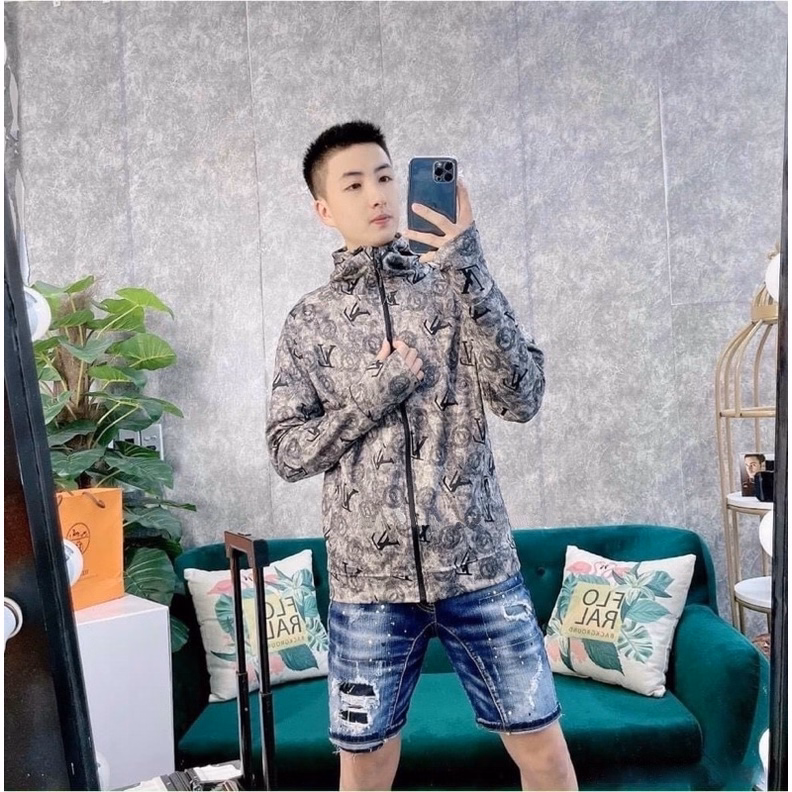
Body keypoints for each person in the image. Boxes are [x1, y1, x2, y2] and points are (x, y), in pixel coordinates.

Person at [265, 120, 577, 792]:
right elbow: (287, 452)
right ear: (324, 209)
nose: (377, 194)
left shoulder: (454, 288)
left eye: (385, 176)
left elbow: (522, 396)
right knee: (366, 767)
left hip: (479, 569)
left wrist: (466, 262)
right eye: (354, 184)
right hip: (368, 588)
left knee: (545, 754)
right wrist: (376, 391)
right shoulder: (308, 322)